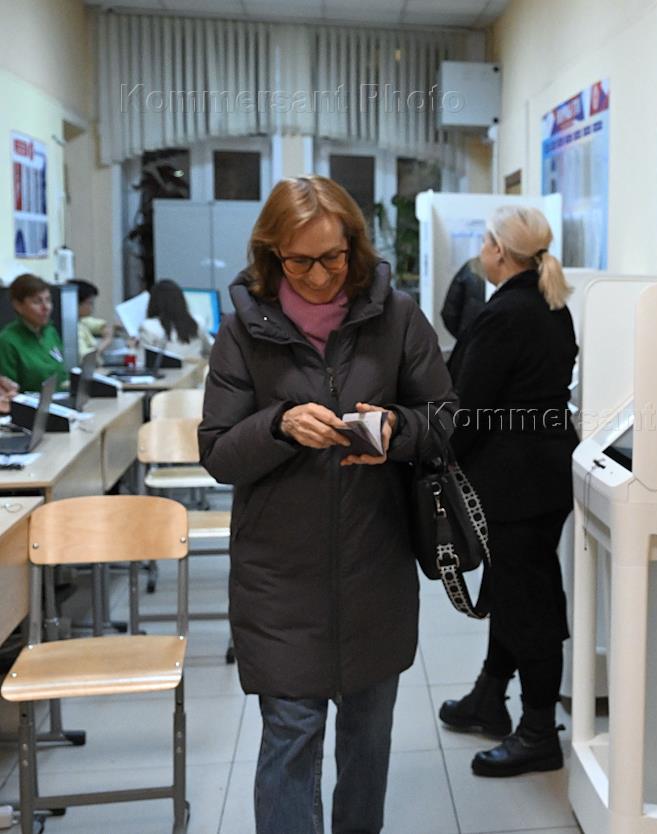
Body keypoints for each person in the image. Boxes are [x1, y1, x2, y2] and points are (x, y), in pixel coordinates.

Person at [197, 175, 456, 834]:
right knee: (289, 741)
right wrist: (279, 425)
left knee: (367, 743)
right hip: (279, 581)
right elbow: (219, 452)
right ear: (272, 255)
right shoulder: (244, 330)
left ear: (354, 247)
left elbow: (445, 417)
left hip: (375, 569)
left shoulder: (397, 317)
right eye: (299, 261)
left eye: (332, 258)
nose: (317, 276)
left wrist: (397, 429)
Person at [438, 206, 579, 777]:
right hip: (545, 472)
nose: (481, 250)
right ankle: (489, 697)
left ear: (499, 250)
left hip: (514, 483)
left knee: (529, 603)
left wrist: (438, 458)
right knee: (514, 587)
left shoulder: (504, 314)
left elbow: (469, 409)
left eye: (485, 241)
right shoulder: (551, 305)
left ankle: (538, 733)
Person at [0, 273, 67, 391]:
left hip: (60, 398)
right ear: (18, 306)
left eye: (48, 300)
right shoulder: (7, 341)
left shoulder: (50, 331)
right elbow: (8, 392)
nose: (46, 307)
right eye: (37, 302)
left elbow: (62, 373)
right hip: (30, 402)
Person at [138, 279, 212, 360]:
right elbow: (211, 351)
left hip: (166, 368)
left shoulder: (148, 327)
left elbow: (142, 360)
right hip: (195, 368)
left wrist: (133, 348)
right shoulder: (198, 323)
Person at [440, 256, 487, 340]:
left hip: (471, 339)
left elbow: (449, 313)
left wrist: (463, 339)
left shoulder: (471, 267)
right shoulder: (471, 268)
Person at [67, 278, 114, 358]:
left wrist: (108, 328)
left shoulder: (81, 320)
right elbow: (85, 358)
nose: (92, 307)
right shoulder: (72, 330)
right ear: (77, 303)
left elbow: (98, 324)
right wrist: (106, 341)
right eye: (90, 303)